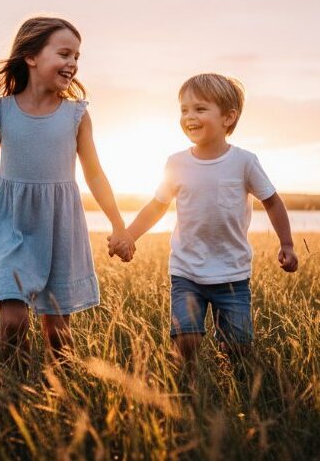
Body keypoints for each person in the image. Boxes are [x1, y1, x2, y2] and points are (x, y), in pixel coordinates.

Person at [0, 16, 134, 363]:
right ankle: (10, 389)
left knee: (58, 333)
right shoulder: (1, 112)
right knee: (13, 323)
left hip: (60, 226)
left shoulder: (76, 115)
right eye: (64, 53)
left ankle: (56, 397)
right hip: (12, 224)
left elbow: (95, 173)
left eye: (77, 57)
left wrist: (118, 224)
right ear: (31, 57)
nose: (72, 63)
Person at [110, 73, 297, 364]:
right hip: (186, 271)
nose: (189, 117)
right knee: (186, 340)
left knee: (237, 350)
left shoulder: (244, 161)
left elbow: (272, 201)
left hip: (232, 273)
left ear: (228, 117)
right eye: (184, 110)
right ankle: (188, 389)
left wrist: (287, 243)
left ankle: (231, 388)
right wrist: (129, 235)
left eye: (199, 109)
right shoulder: (176, 163)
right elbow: (157, 206)